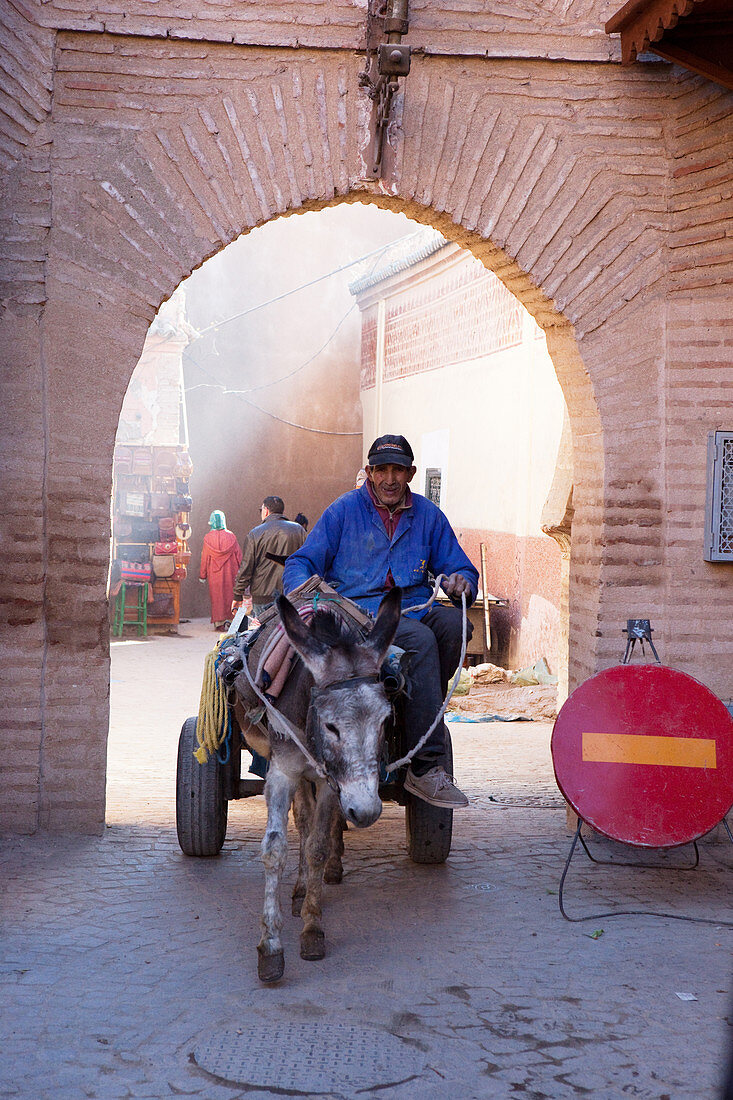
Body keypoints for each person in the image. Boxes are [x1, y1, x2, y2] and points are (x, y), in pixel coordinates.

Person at [282, 434, 478, 809]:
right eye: (381, 470)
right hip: (359, 616)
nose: (389, 479)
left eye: (398, 470)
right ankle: (426, 767)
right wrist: (307, 595)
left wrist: (461, 582)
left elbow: (459, 566)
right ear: (369, 473)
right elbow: (301, 563)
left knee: (456, 627)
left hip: (415, 605)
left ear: (411, 473)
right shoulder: (343, 511)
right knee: (419, 641)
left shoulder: (428, 515)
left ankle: (420, 701)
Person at [232, 496, 306, 620]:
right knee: (287, 634)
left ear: (265, 510)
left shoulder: (255, 533)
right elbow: (306, 560)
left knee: (262, 634)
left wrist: (238, 595)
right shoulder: (299, 530)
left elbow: (246, 568)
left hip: (263, 596)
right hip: (292, 593)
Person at [199, 510, 242, 631]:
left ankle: (219, 623)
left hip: (215, 574)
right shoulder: (231, 536)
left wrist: (202, 575)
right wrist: (242, 574)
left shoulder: (208, 538)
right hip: (230, 573)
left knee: (217, 598)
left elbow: (205, 558)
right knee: (230, 596)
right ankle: (231, 621)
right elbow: (239, 556)